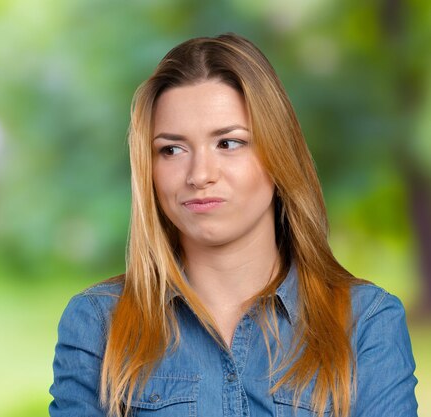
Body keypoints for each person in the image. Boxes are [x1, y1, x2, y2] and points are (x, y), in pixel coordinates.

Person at [49, 33, 418, 417]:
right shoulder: (97, 325)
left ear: (278, 153)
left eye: (228, 143)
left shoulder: (366, 322)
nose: (199, 174)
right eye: (171, 149)